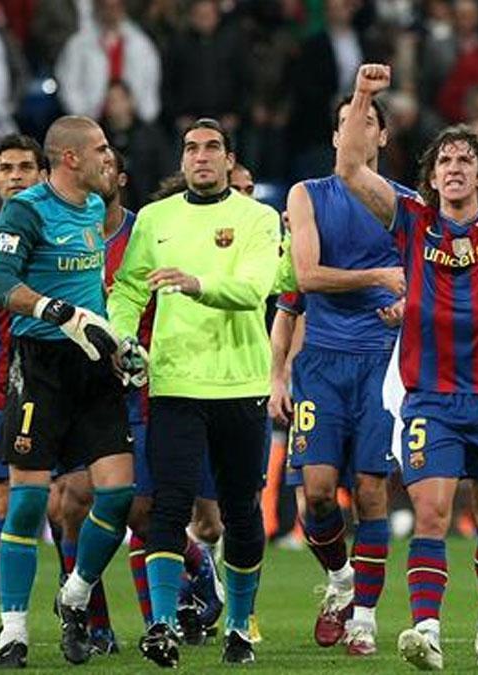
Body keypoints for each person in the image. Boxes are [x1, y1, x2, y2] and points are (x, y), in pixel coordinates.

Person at [335, 58, 478, 669]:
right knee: (433, 511)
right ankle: (428, 630)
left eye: (466, 159)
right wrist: (363, 95)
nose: (455, 167)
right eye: (445, 161)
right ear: (433, 179)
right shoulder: (410, 223)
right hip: (431, 398)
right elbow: (351, 167)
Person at [108, 118, 280, 667]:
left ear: (229, 160)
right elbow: (130, 288)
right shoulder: (155, 220)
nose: (200, 157)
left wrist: (195, 284)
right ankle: (160, 625)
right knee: (167, 506)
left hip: (241, 382)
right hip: (176, 384)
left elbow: (254, 288)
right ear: (182, 161)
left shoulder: (258, 217)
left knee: (240, 513)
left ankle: (238, 627)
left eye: (211, 148)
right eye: (190, 149)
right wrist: (121, 337)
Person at [0, 116, 133, 668]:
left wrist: (117, 341)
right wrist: (56, 310)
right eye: (99, 148)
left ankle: (73, 596)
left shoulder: (96, 209)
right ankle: (14, 633)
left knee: (117, 497)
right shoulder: (25, 210)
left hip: (93, 366)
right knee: (25, 502)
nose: (108, 157)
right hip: (40, 365)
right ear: (70, 159)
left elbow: (93, 285)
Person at [286, 93, 411, 656]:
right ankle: (341, 578)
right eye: (343, 125)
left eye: (364, 123)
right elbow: (307, 276)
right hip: (322, 361)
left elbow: (424, 286)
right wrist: (379, 278)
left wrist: (408, 304)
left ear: (382, 137)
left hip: (384, 366)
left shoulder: (408, 205)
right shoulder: (307, 195)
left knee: (370, 492)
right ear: (336, 139)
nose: (354, 133)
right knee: (315, 496)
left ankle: (364, 618)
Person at [0, 134, 45, 608]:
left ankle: (88, 617)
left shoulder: (64, 231)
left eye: (25, 167)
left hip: (63, 384)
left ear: (43, 175)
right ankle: (12, 617)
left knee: (74, 505)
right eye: (6, 169)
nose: (15, 177)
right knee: (6, 500)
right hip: (3, 392)